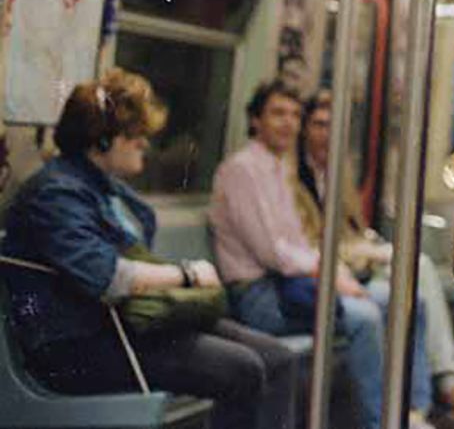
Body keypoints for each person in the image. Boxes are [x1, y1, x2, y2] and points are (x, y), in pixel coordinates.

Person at [1, 69, 296, 429]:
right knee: (241, 369)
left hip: (128, 323)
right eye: (135, 134)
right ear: (102, 141)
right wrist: (185, 275)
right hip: (79, 341)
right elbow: (106, 276)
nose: (145, 144)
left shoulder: (105, 189)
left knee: (279, 359)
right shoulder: (56, 194)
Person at [209, 79, 430, 429]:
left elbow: (298, 243)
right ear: (255, 120)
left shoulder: (278, 168)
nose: (288, 123)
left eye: (295, 115)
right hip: (261, 295)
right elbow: (273, 254)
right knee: (364, 317)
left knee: (400, 299)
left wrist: (336, 277)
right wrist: (334, 280)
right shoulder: (241, 169)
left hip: (292, 286)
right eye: (278, 113)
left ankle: (414, 408)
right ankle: (379, 422)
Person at [293, 90, 454, 429]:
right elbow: (310, 241)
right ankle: (443, 381)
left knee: (416, 284)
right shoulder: (294, 181)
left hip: (355, 259)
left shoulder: (339, 170)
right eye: (318, 125)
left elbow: (353, 227)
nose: (326, 134)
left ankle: (423, 402)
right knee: (412, 274)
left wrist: (369, 246)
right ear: (305, 130)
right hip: (336, 266)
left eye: (332, 126)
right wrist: (366, 251)